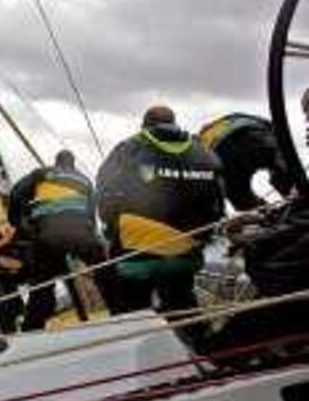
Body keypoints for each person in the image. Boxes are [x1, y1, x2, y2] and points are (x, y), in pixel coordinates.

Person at [96, 106, 224, 330]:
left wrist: (112, 229)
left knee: (132, 313)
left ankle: (140, 354)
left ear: (145, 125)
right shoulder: (203, 151)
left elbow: (105, 191)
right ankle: (198, 351)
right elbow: (218, 201)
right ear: (174, 123)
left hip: (136, 254)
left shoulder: (129, 148)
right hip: (187, 255)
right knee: (182, 305)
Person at [8, 149, 106, 331]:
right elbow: (92, 215)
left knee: (43, 287)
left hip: (47, 235)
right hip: (81, 233)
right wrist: (89, 236)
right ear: (73, 164)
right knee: (105, 271)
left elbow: (16, 194)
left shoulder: (41, 173)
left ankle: (32, 331)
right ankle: (123, 309)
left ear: (55, 161)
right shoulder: (84, 180)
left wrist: (19, 225)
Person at [199, 113, 294, 211]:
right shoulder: (233, 118)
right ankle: (297, 201)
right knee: (285, 178)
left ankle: (262, 215)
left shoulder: (200, 141)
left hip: (225, 154)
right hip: (257, 138)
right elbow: (276, 131)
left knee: (241, 198)